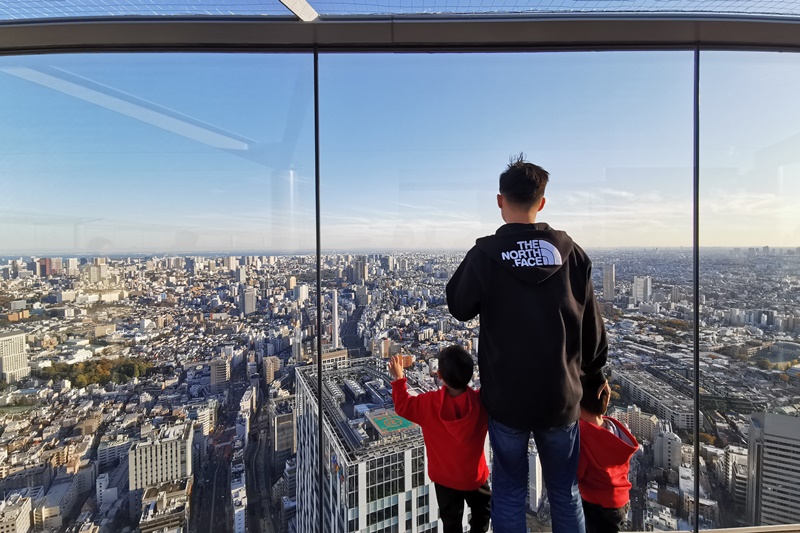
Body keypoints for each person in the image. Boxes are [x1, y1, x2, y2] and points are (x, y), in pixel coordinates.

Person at [446, 154, 609, 533]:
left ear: (500, 200)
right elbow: (592, 327)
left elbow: (459, 306)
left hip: (507, 399)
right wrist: (594, 377)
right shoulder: (571, 253)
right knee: (565, 494)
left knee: (508, 492)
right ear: (542, 203)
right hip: (561, 397)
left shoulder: (485, 255)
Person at [388, 347, 491, 533]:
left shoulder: (428, 404)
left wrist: (399, 378)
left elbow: (402, 405)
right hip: (474, 477)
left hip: (444, 479)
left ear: (439, 375)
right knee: (482, 513)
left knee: (450, 522)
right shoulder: (481, 403)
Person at [578, 372, 638, 533]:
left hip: (598, 505)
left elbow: (577, 473)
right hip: (621, 501)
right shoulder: (613, 428)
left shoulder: (583, 435)